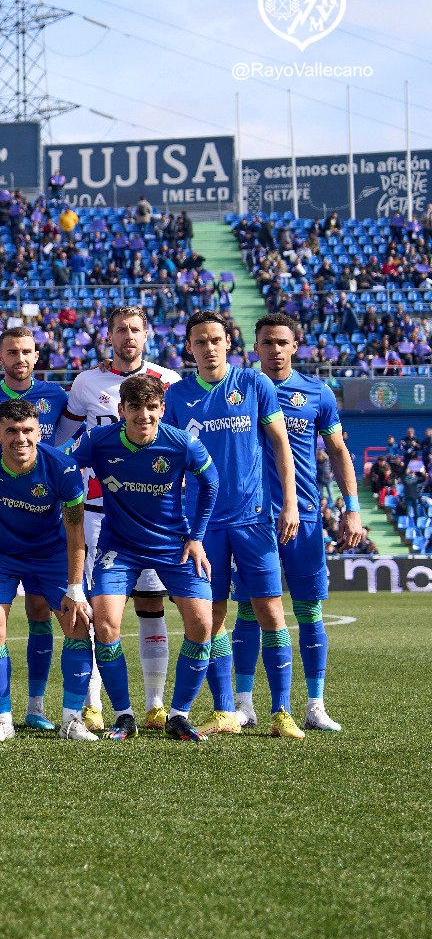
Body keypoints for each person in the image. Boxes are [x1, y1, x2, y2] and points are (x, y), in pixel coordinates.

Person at [164, 311, 301, 738]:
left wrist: (290, 504)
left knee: (270, 611)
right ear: (190, 347)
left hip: (254, 519)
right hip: (202, 528)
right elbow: (170, 466)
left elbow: (281, 444)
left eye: (215, 340)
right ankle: (226, 712)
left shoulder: (254, 384)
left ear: (229, 343)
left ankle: (282, 712)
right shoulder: (176, 396)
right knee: (212, 615)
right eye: (200, 341)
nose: (208, 348)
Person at [67, 374, 218, 743]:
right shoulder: (99, 442)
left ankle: (179, 714)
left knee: (202, 625)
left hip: (174, 546)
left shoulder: (182, 443)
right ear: (121, 410)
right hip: (120, 546)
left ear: (162, 410)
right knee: (104, 625)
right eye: (135, 408)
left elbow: (211, 482)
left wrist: (196, 537)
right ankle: (124, 715)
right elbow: (64, 466)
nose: (144, 416)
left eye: (152, 408)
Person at [54, 306, 182, 731]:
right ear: (107, 335)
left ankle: (155, 704)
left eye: (135, 329)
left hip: (153, 513)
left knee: (150, 602)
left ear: (147, 334)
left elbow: (180, 444)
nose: (128, 336)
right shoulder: (86, 383)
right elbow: (62, 440)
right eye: (120, 330)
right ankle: (92, 703)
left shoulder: (170, 381)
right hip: (96, 512)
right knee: (95, 610)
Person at [247, 313, 363, 732]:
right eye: (267, 342)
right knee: (248, 607)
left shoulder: (316, 392)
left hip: (306, 515)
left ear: (295, 346)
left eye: (282, 342)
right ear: (255, 348)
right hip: (251, 516)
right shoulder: (239, 389)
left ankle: (315, 705)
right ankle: (245, 705)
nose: (275, 350)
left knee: (308, 607)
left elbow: (338, 451)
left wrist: (352, 508)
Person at [0, 399, 89, 740]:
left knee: (78, 623)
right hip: (0, 553)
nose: (20, 438)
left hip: (52, 554)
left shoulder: (62, 469)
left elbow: (76, 536)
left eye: (28, 430)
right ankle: (2, 720)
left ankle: (72, 719)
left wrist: (75, 588)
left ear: (39, 432)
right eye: (11, 431)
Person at [0, 324, 71, 729]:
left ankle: (36, 706)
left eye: (26, 352)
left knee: (39, 611)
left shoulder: (56, 396)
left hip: (47, 518)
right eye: (11, 352)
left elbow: (67, 444)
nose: (19, 358)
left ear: (37, 356)